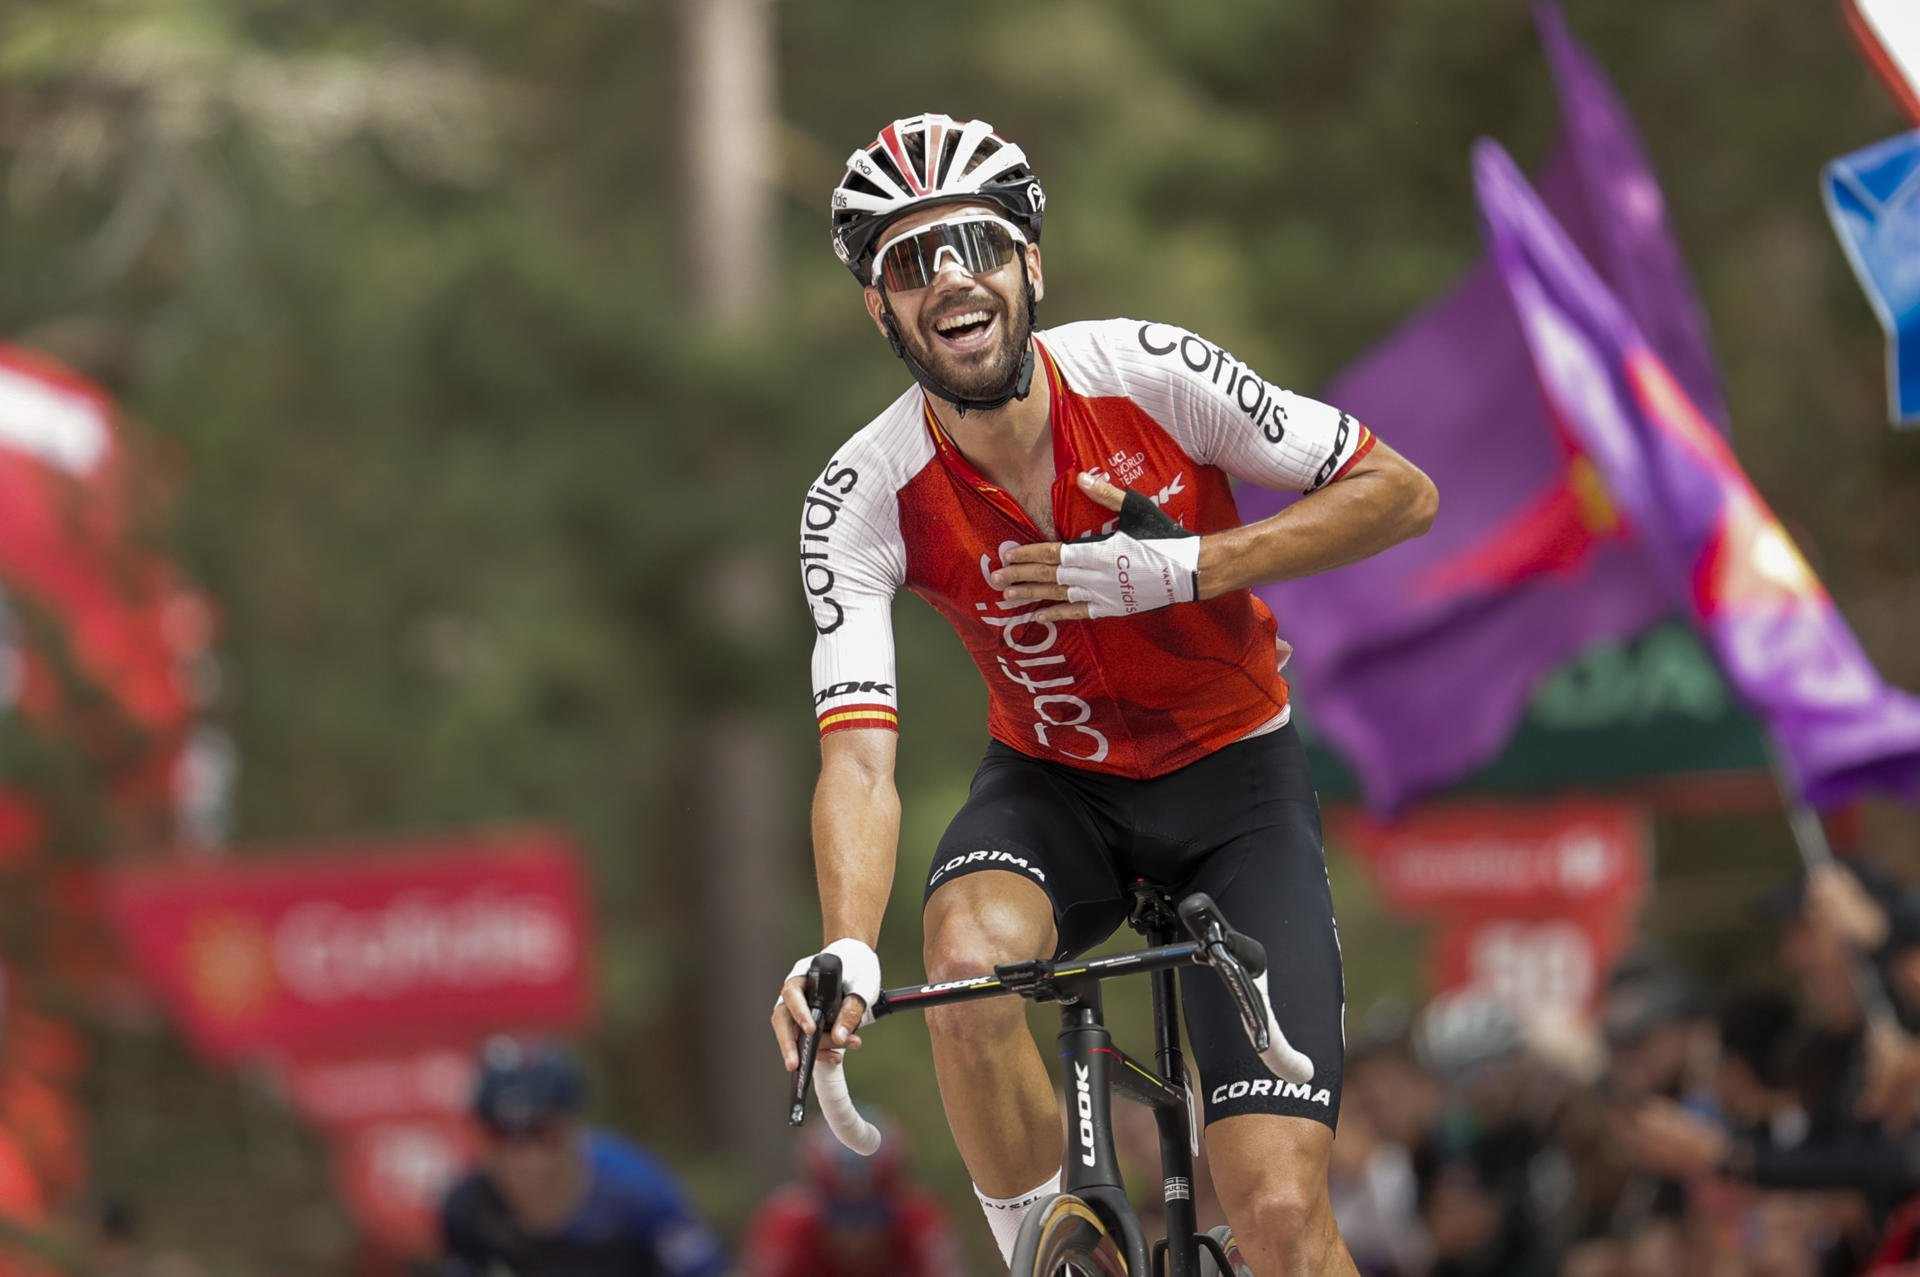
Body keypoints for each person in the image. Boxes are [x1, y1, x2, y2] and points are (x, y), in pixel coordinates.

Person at [770, 112, 1437, 1274]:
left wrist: (1189, 564)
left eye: (973, 243)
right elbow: (860, 757)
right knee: (967, 957)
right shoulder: (860, 494)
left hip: (1236, 787)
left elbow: (1401, 490)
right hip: (1056, 791)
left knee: (1277, 1217)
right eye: (909, 264)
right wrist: (844, 944)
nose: (949, 281)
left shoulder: (1150, 371)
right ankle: (1053, 1255)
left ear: (1031, 262)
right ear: (879, 309)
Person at [437, 1038, 727, 1277]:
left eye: (541, 1133)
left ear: (572, 1128)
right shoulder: (467, 1211)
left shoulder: (638, 1192)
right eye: (501, 1135)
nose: (523, 1156)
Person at [741, 1121, 962, 1277]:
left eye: (872, 1215)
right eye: (842, 1215)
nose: (858, 1236)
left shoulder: (918, 1221)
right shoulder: (789, 1226)